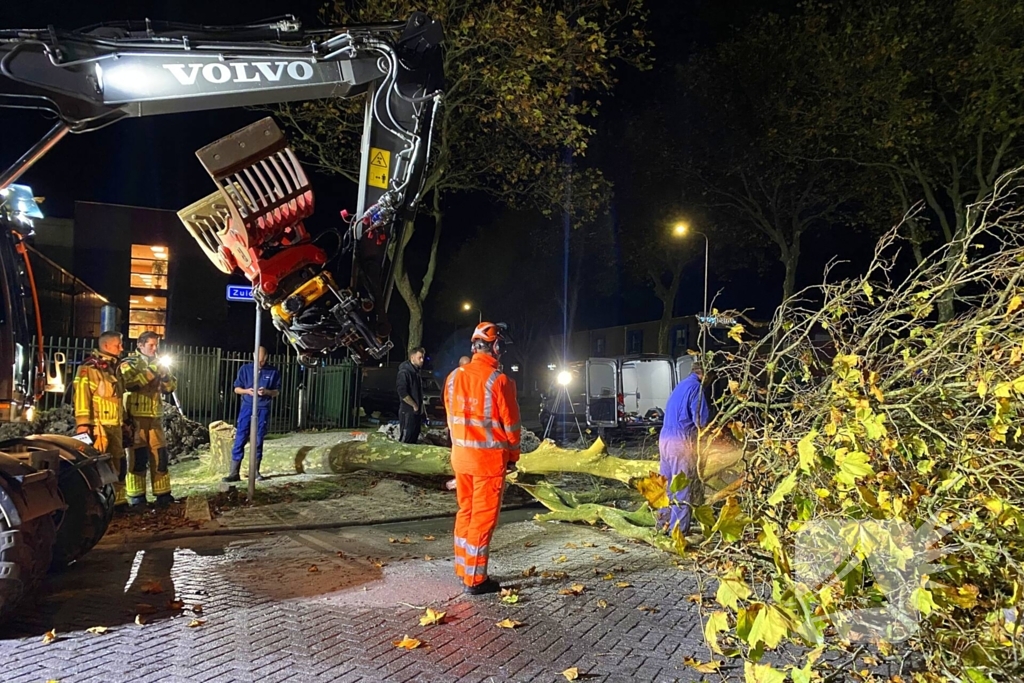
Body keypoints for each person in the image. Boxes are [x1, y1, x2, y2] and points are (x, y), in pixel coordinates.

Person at [444, 322, 521, 595]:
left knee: (465, 512)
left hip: (461, 458)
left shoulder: (453, 377)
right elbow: (511, 426)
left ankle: (463, 568)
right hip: (487, 463)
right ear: (496, 347)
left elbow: (451, 418)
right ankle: (475, 580)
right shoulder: (499, 381)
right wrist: (513, 457)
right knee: (482, 519)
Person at [119, 331, 177, 508]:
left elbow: (170, 388)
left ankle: (163, 494)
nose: (155, 348)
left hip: (155, 417)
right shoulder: (129, 363)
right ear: (140, 345)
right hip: (136, 417)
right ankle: (137, 496)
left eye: (156, 345)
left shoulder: (159, 363)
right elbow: (131, 384)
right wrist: (152, 370)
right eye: (151, 345)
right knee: (138, 458)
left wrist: (165, 375)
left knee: (160, 457)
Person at [73, 330, 129, 508]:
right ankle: (99, 505)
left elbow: (118, 399)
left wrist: (125, 421)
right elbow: (82, 397)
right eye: (118, 345)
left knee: (118, 464)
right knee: (99, 468)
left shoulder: (114, 368)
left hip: (115, 426)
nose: (122, 348)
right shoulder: (89, 368)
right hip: (99, 428)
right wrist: (83, 424)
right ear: (106, 346)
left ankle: (118, 503)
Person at [658, 356, 709, 535]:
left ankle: (663, 525)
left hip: (665, 438)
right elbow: (700, 421)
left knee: (667, 485)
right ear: (705, 374)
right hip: (680, 441)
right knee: (681, 488)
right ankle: (678, 531)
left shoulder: (681, 385)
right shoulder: (696, 388)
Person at [223, 346, 281, 482]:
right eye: (257, 360)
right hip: (247, 407)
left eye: (262, 361)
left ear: (266, 357)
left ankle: (255, 471)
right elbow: (236, 389)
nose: (260, 363)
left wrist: (267, 392)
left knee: (258, 439)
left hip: (263, 408)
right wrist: (247, 391)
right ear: (254, 356)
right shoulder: (245, 369)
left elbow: (277, 392)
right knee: (240, 438)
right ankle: (234, 473)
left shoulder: (273, 371)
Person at [396, 347, 425, 444]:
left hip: (415, 413)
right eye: (419, 357)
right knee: (406, 439)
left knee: (413, 438)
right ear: (412, 357)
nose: (422, 360)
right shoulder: (404, 372)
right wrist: (414, 405)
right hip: (407, 412)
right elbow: (402, 392)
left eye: (423, 357)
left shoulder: (416, 372)